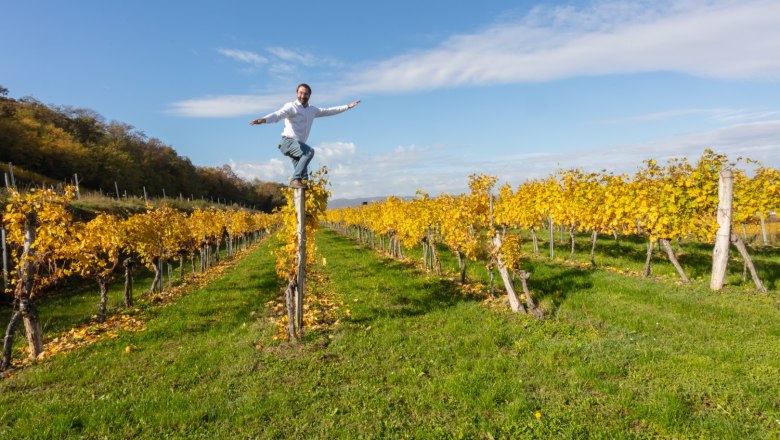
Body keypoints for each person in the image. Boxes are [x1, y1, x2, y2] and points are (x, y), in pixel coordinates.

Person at [250, 83, 360, 188]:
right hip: (288, 142)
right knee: (309, 152)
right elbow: (278, 114)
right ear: (296, 93)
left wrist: (347, 107)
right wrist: (264, 119)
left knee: (304, 178)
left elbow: (329, 111)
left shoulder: (312, 110)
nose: (303, 95)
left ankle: (298, 201)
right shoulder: (291, 106)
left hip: (299, 146)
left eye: (305, 93)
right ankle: (294, 179)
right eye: (300, 93)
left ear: (309, 95)